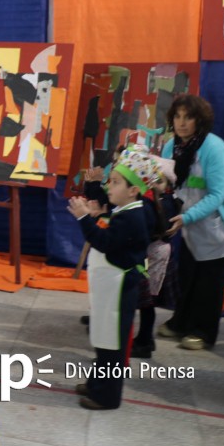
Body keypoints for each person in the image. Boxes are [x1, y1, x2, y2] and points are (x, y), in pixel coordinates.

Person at [157, 95, 224, 350]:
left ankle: (203, 332)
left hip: (221, 220)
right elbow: (170, 183)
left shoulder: (214, 147)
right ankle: (180, 322)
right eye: (177, 116)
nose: (182, 123)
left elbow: (216, 195)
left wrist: (186, 216)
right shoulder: (170, 147)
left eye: (188, 117)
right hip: (190, 219)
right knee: (188, 272)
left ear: (199, 120)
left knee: (209, 279)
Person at [67, 147, 157, 410]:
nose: (110, 186)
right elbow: (106, 223)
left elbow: (104, 242)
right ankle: (97, 384)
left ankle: (107, 396)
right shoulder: (124, 211)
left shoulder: (132, 217)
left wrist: (84, 218)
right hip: (111, 288)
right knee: (104, 340)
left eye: (116, 182)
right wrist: (94, 213)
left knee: (113, 347)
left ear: (133, 190)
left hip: (120, 290)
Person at [131, 157, 180, 358]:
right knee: (145, 301)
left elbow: (157, 228)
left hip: (157, 255)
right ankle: (144, 339)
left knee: (147, 301)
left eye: (160, 181)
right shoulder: (152, 200)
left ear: (168, 185)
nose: (155, 185)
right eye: (152, 180)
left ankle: (145, 341)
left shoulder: (166, 203)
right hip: (150, 253)